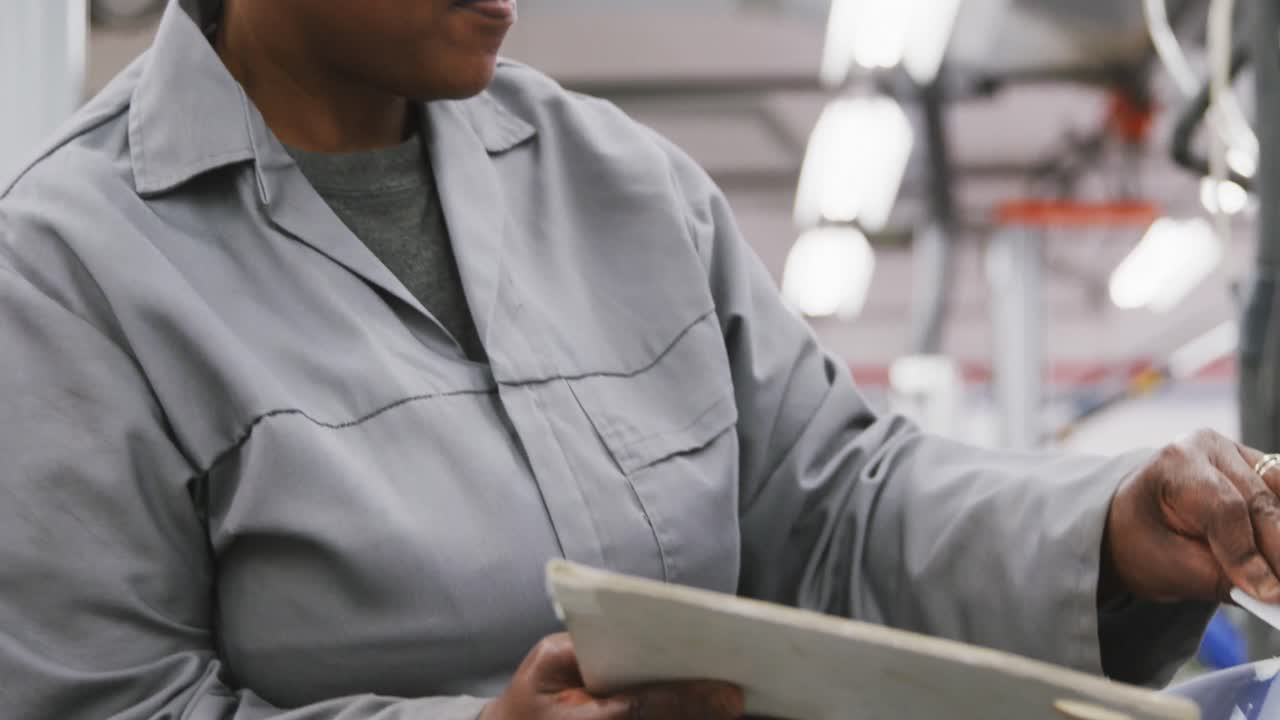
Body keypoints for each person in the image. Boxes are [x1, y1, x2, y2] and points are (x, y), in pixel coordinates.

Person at [1, 0, 1279, 718]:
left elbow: (838, 504)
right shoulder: (72, 270)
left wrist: (1105, 531)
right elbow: (97, 705)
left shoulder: (612, 181)